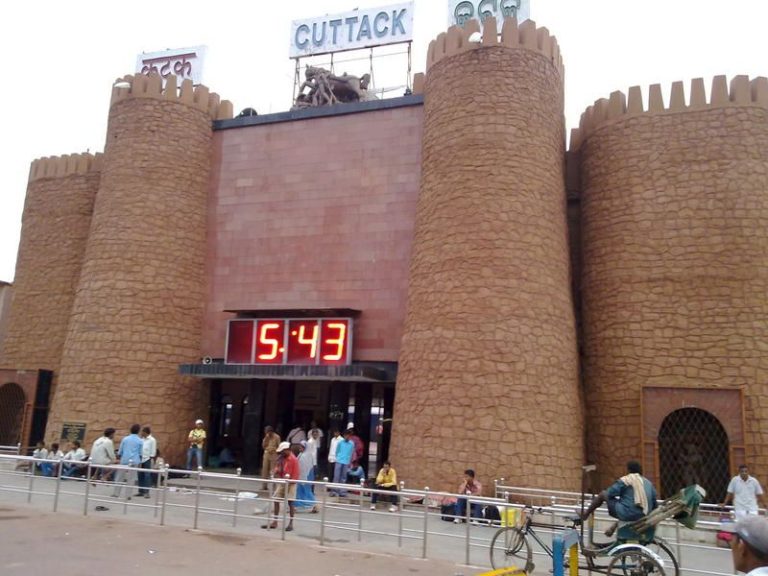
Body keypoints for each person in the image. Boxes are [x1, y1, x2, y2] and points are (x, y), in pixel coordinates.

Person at [581, 460, 658, 523]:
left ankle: (585, 514)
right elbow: (655, 504)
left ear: (629, 470)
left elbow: (610, 493)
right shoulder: (649, 483)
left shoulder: (626, 480)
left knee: (603, 494)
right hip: (644, 515)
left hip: (626, 514)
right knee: (625, 505)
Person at [262, 441, 299, 531]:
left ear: (287, 450)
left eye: (282, 451)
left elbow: (296, 474)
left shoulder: (293, 460)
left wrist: (290, 481)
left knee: (291, 502)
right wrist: (275, 471)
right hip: (283, 481)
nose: (281, 453)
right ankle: (275, 521)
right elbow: (278, 467)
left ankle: (291, 523)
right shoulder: (281, 458)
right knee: (276, 499)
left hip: (291, 483)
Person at [112, 424, 143, 499]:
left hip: (124, 459)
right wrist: (140, 462)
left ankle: (116, 493)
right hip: (134, 460)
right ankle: (128, 495)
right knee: (131, 478)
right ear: (138, 431)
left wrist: (119, 456)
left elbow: (120, 450)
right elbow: (140, 453)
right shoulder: (140, 440)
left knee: (119, 476)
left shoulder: (125, 439)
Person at [329, 429, 355, 497]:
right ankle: (334, 491)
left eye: (349, 435)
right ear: (344, 435)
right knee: (336, 476)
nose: (347, 437)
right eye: (346, 435)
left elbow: (351, 453)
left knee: (343, 477)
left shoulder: (352, 444)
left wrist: (350, 462)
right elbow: (337, 451)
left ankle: (342, 492)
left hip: (346, 462)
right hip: (339, 461)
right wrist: (338, 457)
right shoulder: (340, 442)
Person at [295, 441, 318, 513]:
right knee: (300, 491)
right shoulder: (301, 454)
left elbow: (305, 468)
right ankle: (300, 505)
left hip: (305, 476)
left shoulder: (306, 456)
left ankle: (312, 505)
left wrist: (303, 476)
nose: (300, 448)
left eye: (301, 447)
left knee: (306, 490)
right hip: (300, 476)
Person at [138, 426, 157, 497]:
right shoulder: (142, 439)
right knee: (140, 475)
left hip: (147, 459)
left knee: (147, 475)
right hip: (141, 458)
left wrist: (151, 457)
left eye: (142, 432)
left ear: (145, 432)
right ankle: (141, 491)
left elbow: (153, 451)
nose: (141, 433)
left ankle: (146, 492)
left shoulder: (152, 440)